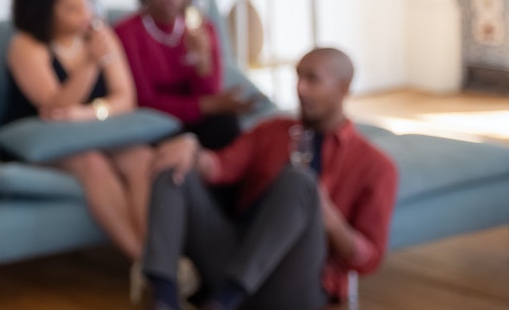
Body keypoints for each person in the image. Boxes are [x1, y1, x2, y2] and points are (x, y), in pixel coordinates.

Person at [141, 48, 398, 310]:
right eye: (298, 78)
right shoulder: (271, 130)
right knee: (172, 164)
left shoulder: (375, 165)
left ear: (343, 89)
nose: (300, 89)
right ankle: (164, 300)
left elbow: (369, 260)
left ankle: (223, 301)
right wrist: (190, 147)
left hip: (293, 283)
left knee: (299, 181)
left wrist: (329, 218)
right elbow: (219, 167)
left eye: (312, 80)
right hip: (230, 259)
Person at [3, 0, 154, 263]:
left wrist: (87, 115)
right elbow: (54, 107)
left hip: (91, 130)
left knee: (140, 157)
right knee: (93, 164)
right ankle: (143, 260)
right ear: (45, 10)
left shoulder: (101, 35)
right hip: (40, 141)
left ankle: (158, 257)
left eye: (87, 4)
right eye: (72, 9)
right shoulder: (26, 46)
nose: (86, 16)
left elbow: (125, 99)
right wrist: (89, 64)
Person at [114, 0, 252, 151]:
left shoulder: (203, 29)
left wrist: (203, 62)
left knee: (225, 123)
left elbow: (210, 94)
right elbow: (142, 100)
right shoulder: (127, 32)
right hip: (154, 120)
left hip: (196, 118)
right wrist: (205, 106)